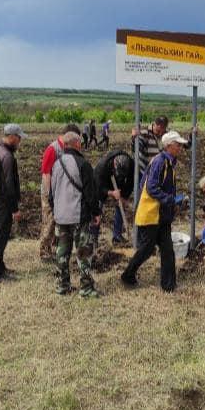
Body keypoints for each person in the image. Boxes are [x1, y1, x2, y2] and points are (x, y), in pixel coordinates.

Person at [121, 131, 187, 292]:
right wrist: (171, 200)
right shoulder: (160, 162)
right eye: (178, 145)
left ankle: (169, 285)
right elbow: (151, 188)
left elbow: (147, 184)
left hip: (162, 215)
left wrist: (171, 203)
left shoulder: (169, 162)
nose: (180, 148)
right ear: (169, 146)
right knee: (147, 249)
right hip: (151, 214)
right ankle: (127, 275)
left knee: (167, 250)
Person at [50, 131, 101, 297]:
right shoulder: (83, 164)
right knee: (83, 252)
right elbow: (90, 193)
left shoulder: (56, 164)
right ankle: (86, 288)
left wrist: (56, 210)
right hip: (78, 215)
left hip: (60, 216)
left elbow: (51, 193)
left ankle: (62, 285)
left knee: (62, 252)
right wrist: (96, 212)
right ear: (78, 144)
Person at [0, 123, 25, 283]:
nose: (20, 141)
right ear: (11, 137)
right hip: (3, 201)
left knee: (2, 235)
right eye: (19, 138)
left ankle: (0, 267)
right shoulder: (7, 157)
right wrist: (14, 209)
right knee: (0, 236)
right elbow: (9, 185)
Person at [39, 123, 82, 259]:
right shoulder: (53, 149)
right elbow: (46, 174)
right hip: (51, 192)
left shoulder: (66, 148)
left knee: (59, 221)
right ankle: (44, 251)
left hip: (61, 192)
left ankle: (54, 249)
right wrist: (50, 194)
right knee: (50, 221)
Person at [94, 149, 135, 244]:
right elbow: (98, 186)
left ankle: (117, 236)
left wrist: (124, 196)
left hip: (120, 182)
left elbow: (130, 182)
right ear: (114, 164)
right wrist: (111, 193)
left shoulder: (130, 164)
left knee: (120, 205)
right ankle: (93, 237)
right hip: (104, 182)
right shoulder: (102, 166)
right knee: (97, 207)